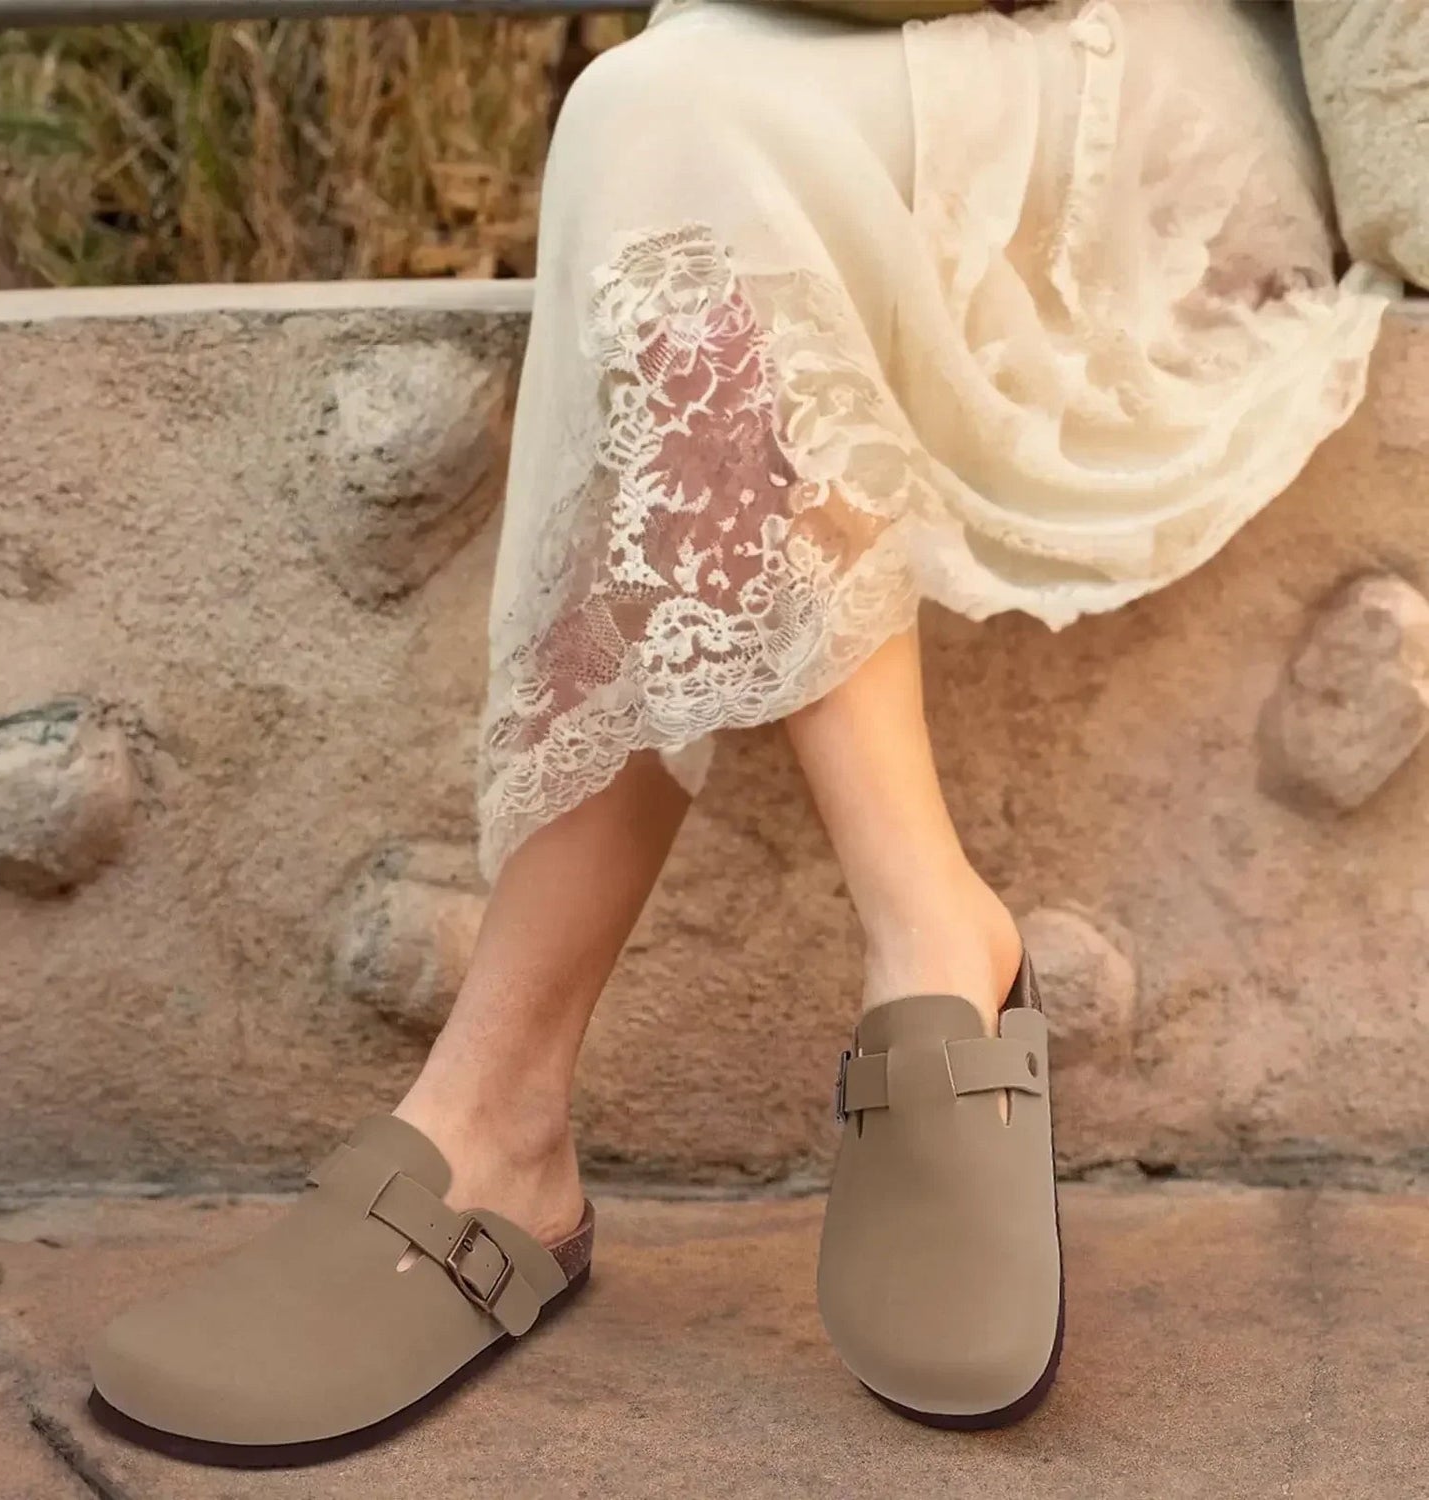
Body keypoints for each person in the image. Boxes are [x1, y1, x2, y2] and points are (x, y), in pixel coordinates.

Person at [85, 0, 1394, 1464]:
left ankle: (507, 1110)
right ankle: (923, 946)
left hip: (1177, 93)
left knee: (668, 135)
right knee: (654, 112)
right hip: (867, 45)